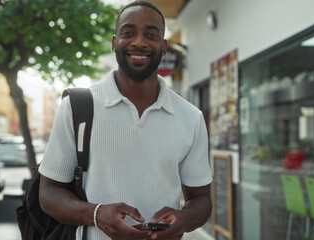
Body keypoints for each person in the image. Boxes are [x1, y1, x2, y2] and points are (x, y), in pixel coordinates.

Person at [38, 1, 212, 239]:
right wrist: (97, 215)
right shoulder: (76, 107)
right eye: (128, 33)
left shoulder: (191, 117)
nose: (139, 42)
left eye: (150, 35)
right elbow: (48, 193)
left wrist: (184, 218)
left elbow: (201, 198)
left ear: (163, 46)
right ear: (114, 42)